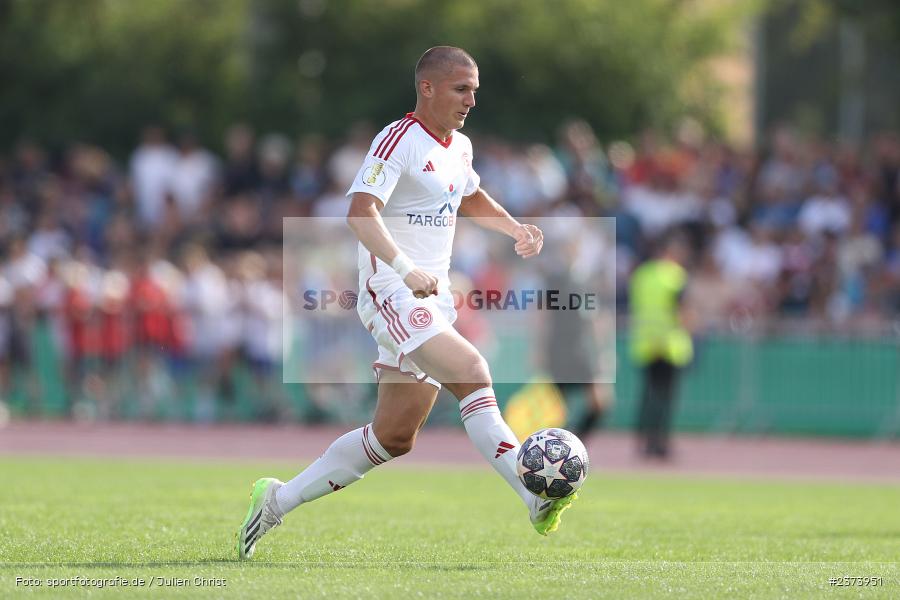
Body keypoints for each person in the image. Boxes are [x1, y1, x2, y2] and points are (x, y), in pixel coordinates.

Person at [238, 46, 577, 560]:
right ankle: (532, 493)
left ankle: (276, 500)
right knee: (473, 371)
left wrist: (513, 228)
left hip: (431, 297)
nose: (471, 99)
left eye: (475, 90)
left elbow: (468, 195)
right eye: (462, 88)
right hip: (392, 291)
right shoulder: (397, 139)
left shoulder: (459, 146)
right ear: (428, 88)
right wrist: (402, 267)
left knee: (394, 437)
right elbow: (360, 212)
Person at [629, 231, 694, 459]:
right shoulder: (676, 276)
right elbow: (684, 311)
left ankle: (643, 440)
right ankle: (661, 443)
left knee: (647, 395)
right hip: (669, 345)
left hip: (646, 343)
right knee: (666, 398)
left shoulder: (642, 275)